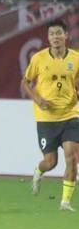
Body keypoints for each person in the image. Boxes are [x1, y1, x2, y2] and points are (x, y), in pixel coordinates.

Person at [22, 19, 79, 211]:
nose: (55, 37)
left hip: (70, 115)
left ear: (66, 35)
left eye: (59, 33)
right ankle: (38, 172)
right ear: (48, 38)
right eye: (52, 34)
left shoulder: (76, 58)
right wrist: (38, 99)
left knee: (72, 157)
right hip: (46, 119)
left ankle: (65, 202)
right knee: (51, 162)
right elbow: (25, 82)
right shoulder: (38, 58)